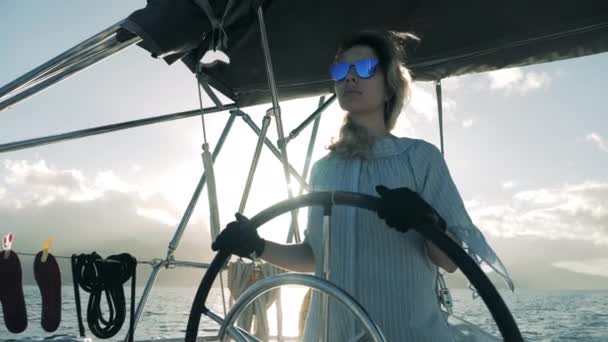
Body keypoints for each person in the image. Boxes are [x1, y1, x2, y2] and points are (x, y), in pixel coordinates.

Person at [213, 30, 512, 341]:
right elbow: (316, 257)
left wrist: (428, 220)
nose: (350, 78)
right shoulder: (323, 169)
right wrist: (258, 246)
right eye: (341, 70)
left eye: (365, 69)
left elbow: (450, 261)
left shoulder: (420, 158)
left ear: (389, 87)